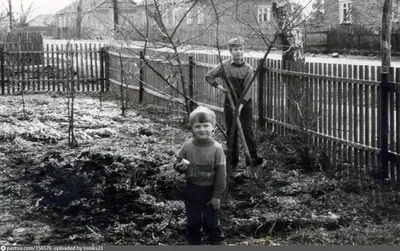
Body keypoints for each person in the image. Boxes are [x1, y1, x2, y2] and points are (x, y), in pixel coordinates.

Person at [205, 37, 263, 169]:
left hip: (245, 103)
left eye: (241, 49)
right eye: (235, 49)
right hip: (229, 102)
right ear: (230, 51)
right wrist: (220, 87)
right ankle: (233, 159)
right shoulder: (224, 66)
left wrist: (240, 107)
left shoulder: (248, 69)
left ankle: (252, 159)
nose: (238, 52)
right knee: (231, 130)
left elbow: (248, 91)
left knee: (247, 130)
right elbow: (209, 76)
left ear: (243, 51)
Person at [174, 106, 226, 245]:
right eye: (197, 126)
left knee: (211, 221)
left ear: (213, 127)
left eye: (206, 125)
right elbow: (178, 164)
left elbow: (221, 174)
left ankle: (215, 242)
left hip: (210, 190)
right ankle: (193, 242)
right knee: (193, 220)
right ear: (191, 128)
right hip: (192, 188)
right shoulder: (187, 146)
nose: (202, 129)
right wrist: (180, 167)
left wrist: (217, 196)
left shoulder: (217, 149)